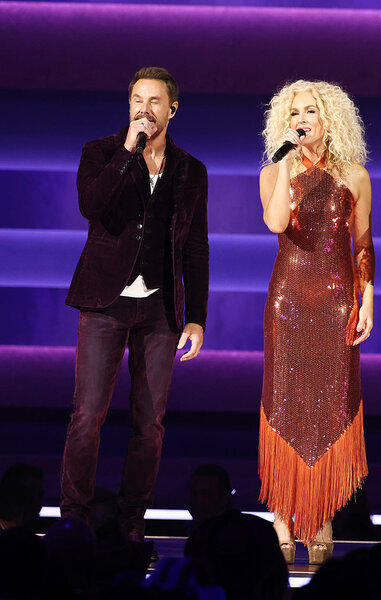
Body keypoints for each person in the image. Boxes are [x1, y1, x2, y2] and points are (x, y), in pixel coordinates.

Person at [61, 66, 209, 543]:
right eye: (137, 100)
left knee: (150, 424)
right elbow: (93, 205)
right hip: (105, 303)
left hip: (160, 310)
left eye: (154, 101)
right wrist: (129, 150)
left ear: (172, 109)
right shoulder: (100, 153)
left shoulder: (190, 170)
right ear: (129, 106)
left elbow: (195, 247)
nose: (144, 109)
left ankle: (131, 524)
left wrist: (197, 317)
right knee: (87, 417)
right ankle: (75, 520)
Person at [257, 80, 374, 565]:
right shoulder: (272, 171)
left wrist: (367, 298)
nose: (302, 119)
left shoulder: (355, 176)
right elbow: (276, 223)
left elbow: (363, 244)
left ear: (329, 118)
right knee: (285, 403)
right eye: (294, 112)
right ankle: (283, 518)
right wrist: (285, 165)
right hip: (288, 302)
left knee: (329, 405)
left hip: (335, 304)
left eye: (311, 111)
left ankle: (321, 518)